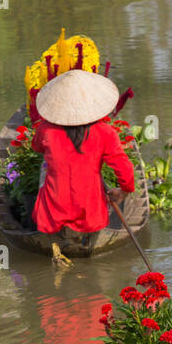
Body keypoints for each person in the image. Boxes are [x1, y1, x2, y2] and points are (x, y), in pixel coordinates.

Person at [29, 69, 135, 235]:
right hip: (90, 214)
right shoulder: (105, 132)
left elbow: (36, 147)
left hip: (52, 213)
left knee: (45, 165)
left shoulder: (46, 130)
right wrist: (124, 192)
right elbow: (126, 172)